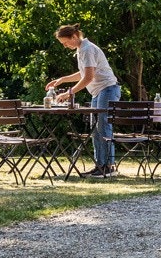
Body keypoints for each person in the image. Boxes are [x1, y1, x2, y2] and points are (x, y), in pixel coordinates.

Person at [47, 24, 121, 177]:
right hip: (98, 91)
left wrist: (69, 93)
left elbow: (88, 77)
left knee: (103, 126)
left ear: (74, 36)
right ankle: (100, 165)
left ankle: (108, 166)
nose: (65, 46)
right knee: (96, 129)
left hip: (107, 88)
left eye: (65, 42)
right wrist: (62, 80)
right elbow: (83, 73)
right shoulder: (82, 49)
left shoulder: (87, 49)